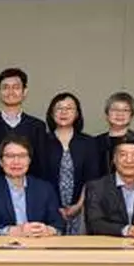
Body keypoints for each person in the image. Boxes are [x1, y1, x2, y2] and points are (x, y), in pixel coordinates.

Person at [0, 136, 63, 237]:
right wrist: (11, 231)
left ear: (29, 160)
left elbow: (59, 224)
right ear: (0, 161)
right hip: (2, 248)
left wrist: (48, 230)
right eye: (10, 156)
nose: (16, 162)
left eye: (22, 156)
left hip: (38, 246)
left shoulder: (45, 188)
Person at [40, 92, 101, 235]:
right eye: (59, 108)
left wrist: (79, 205)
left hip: (82, 208)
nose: (63, 112)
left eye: (69, 108)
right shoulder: (42, 142)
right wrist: (55, 207)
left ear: (77, 114)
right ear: (51, 113)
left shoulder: (89, 142)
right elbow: (39, 177)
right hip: (48, 207)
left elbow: (92, 178)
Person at [0, 68, 48, 180]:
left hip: (30, 191)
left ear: (25, 92)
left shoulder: (37, 126)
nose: (11, 92)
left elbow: (42, 166)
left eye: (16, 87)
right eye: (5, 87)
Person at [93, 91, 134, 177]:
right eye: (115, 109)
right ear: (107, 114)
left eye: (125, 110)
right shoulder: (95, 142)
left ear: (131, 115)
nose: (120, 114)